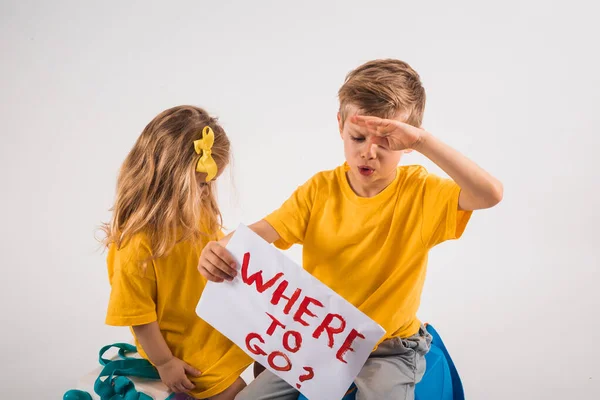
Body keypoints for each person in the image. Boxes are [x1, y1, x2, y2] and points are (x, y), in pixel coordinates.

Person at [198, 59, 504, 400]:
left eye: (387, 142)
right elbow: (260, 232)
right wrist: (219, 248)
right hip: (320, 341)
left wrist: (422, 141)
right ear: (340, 125)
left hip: (389, 348)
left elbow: (489, 194)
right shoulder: (320, 190)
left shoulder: (421, 193)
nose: (368, 153)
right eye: (357, 137)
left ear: (408, 142)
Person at [102, 105, 252, 399]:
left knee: (269, 368)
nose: (207, 192)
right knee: (237, 393)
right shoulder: (137, 243)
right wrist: (165, 362)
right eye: (200, 183)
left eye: (210, 183)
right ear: (169, 181)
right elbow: (140, 317)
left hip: (207, 325)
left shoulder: (196, 212)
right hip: (177, 345)